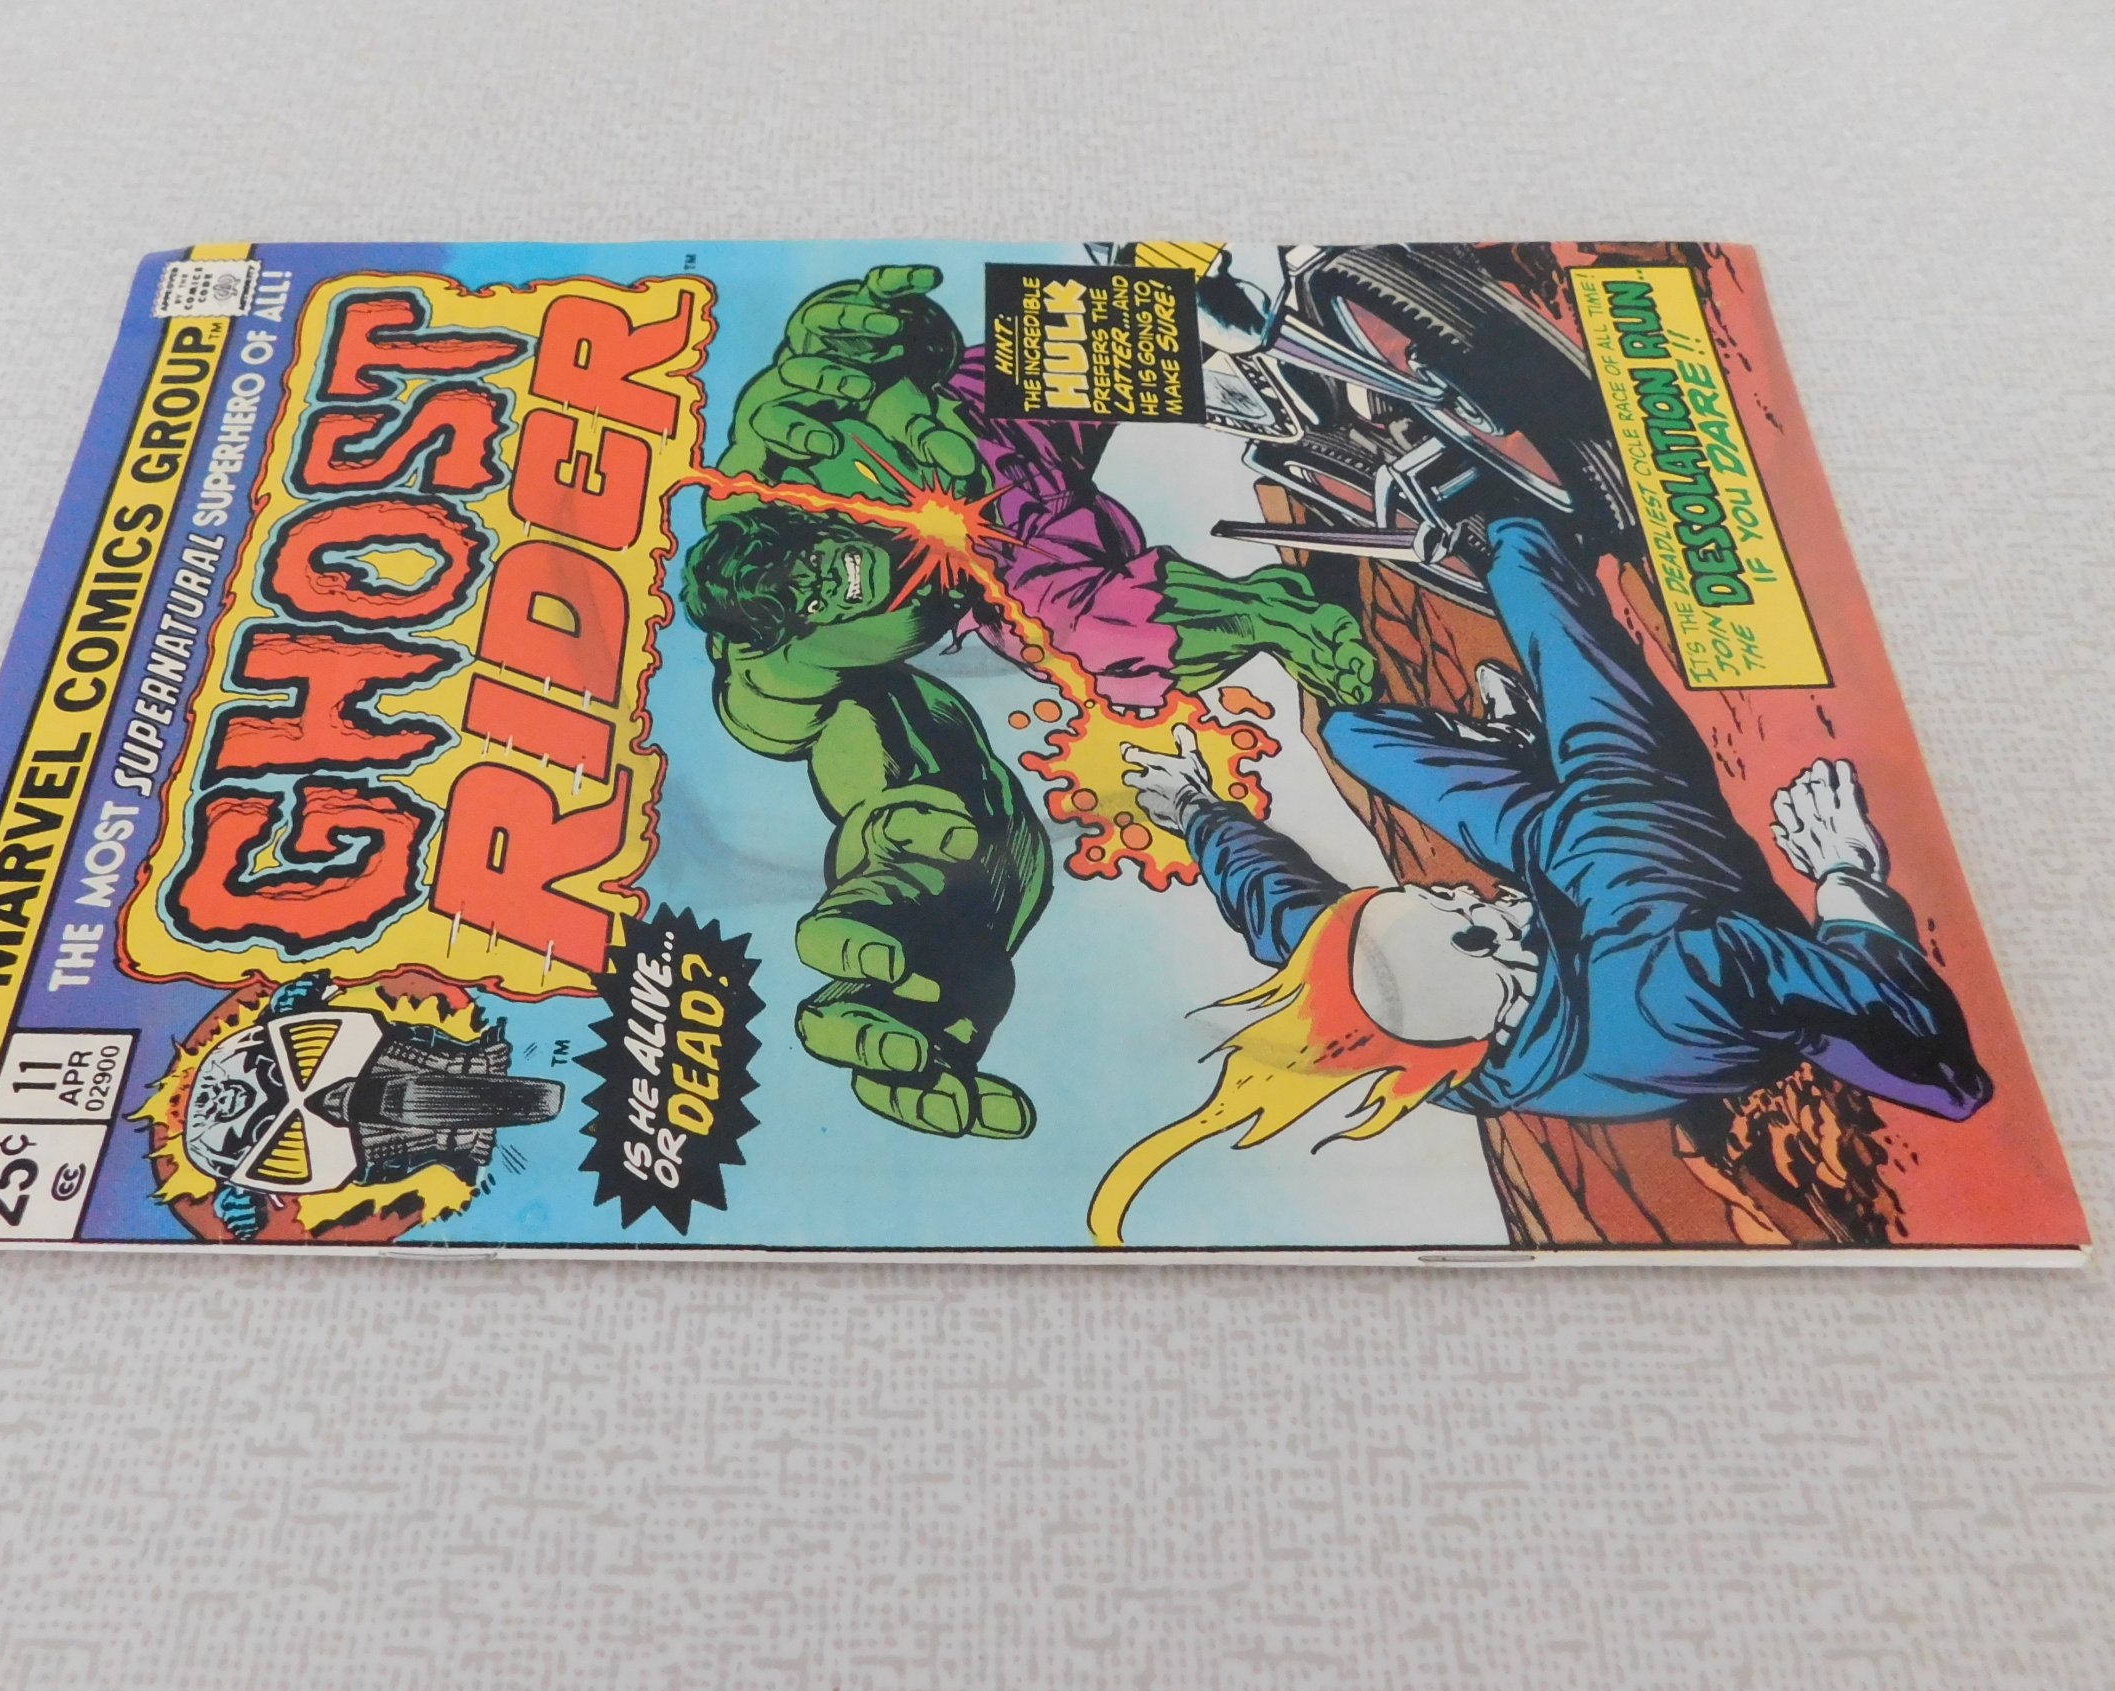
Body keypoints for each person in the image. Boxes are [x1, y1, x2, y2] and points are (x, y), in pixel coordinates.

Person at [1100, 514, 1992, 1243]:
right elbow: (1940, 1069)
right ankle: (1512, 530)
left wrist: (1199, 813)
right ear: (1494, 988)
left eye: (1426, 899)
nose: (1461, 893)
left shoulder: (1430, 1045)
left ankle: (1516, 746)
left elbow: (1287, 920)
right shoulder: (1686, 976)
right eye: (1464, 921)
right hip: (1631, 839)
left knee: (1354, 736)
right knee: (1550, 615)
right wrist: (1844, 874)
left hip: (1552, 866)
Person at [678, 264, 1374, 1139]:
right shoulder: (784, 667)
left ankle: (1206, 280)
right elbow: (865, 750)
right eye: (804, 600)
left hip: (990, 418)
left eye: (804, 562)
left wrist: (870, 332)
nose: (823, 581)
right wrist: (926, 904)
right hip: (1018, 561)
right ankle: (1274, 615)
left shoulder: (781, 464)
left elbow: (836, 360)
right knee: (1088, 638)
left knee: (1178, 292)